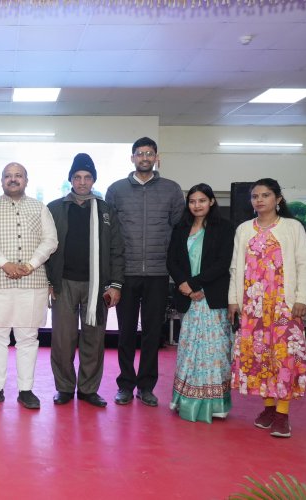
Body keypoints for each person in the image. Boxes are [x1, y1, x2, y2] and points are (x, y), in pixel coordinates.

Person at [228, 178, 306, 438]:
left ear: (278, 199)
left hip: (284, 306)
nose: (260, 200)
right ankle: (268, 408)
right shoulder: (244, 229)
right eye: (255, 196)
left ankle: (282, 414)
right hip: (253, 308)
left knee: (285, 358)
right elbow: (235, 267)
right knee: (260, 358)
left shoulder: (292, 227)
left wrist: (302, 298)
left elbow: (304, 264)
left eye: (265, 195)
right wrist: (234, 299)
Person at [105, 137, 184, 407]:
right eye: (140, 153)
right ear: (132, 158)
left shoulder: (172, 189)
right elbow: (110, 233)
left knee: (152, 333)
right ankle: (125, 385)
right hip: (126, 273)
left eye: (150, 153)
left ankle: (146, 387)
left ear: (157, 158)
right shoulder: (116, 190)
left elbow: (179, 230)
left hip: (158, 273)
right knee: (126, 332)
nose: (145, 158)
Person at [0, 163, 57, 409]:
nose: (13, 179)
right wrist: (4, 263)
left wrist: (30, 264)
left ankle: (26, 390)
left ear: (26, 180)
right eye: (8, 176)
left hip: (32, 282)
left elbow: (50, 240)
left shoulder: (40, 208)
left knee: (28, 337)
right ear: (1, 181)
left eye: (18, 175)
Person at [46, 154, 124, 408]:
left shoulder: (105, 210)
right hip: (64, 283)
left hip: (97, 286)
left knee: (93, 339)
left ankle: (89, 389)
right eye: (77, 177)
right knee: (62, 340)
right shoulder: (55, 208)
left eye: (87, 177)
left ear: (93, 180)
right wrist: (47, 281)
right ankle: (65, 388)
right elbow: (44, 247)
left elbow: (116, 249)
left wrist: (115, 285)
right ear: (70, 179)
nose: (82, 182)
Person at [167, 183, 234, 423]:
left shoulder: (224, 228)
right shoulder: (181, 227)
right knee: (189, 350)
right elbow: (172, 260)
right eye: (193, 201)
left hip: (212, 297)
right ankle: (185, 400)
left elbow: (223, 262)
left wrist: (195, 284)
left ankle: (214, 405)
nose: (197, 205)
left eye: (202, 200)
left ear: (212, 202)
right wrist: (184, 285)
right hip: (189, 299)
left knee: (214, 352)